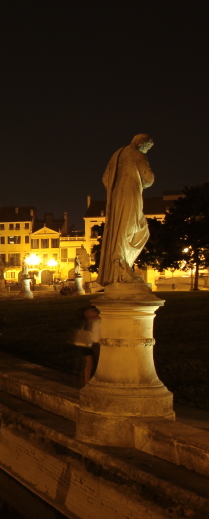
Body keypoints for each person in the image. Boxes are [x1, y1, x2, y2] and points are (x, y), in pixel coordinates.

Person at [98, 134, 156, 287]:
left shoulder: (117, 154)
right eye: (148, 148)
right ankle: (121, 264)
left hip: (116, 196)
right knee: (135, 228)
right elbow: (148, 178)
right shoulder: (139, 155)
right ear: (142, 144)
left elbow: (105, 178)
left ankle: (120, 266)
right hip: (131, 194)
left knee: (121, 227)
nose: (147, 151)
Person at [75, 306, 102, 385]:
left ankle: (88, 380)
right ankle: (86, 380)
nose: (87, 313)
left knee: (92, 363)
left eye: (90, 311)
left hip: (95, 344)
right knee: (89, 362)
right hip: (88, 344)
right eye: (87, 312)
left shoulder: (99, 320)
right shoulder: (89, 321)